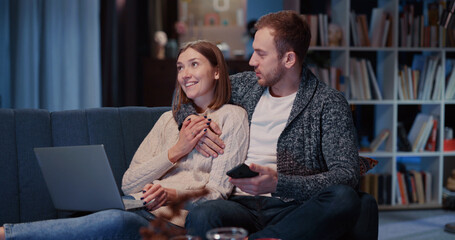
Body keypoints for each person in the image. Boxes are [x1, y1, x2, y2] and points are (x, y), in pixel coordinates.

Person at [0, 40, 249, 240]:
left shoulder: (233, 117)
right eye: (180, 67)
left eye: (194, 64)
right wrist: (175, 151)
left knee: (114, 221)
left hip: (176, 222)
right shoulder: (167, 120)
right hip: (140, 209)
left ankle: (5, 233)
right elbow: (129, 184)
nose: (185, 74)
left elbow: (217, 194)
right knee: (99, 216)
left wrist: (170, 193)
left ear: (216, 71)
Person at [175, 11, 362, 240]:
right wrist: (192, 122)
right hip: (239, 204)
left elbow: (346, 175)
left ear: (289, 59)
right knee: (203, 214)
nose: (252, 60)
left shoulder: (328, 103)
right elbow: (188, 94)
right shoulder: (244, 85)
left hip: (294, 207)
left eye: (261, 54)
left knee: (344, 198)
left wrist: (278, 183)